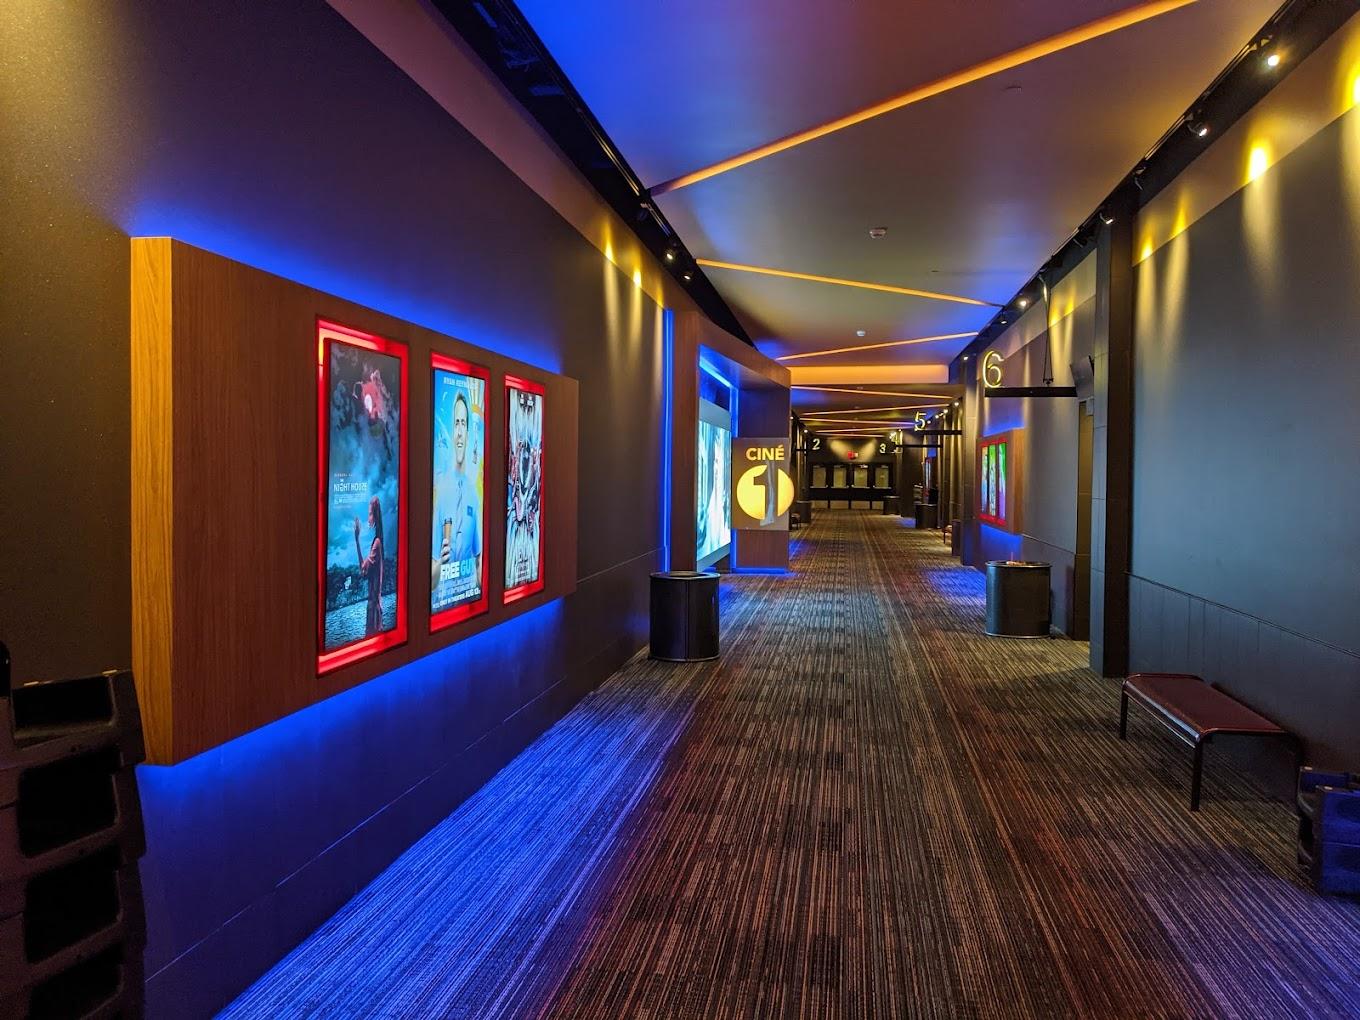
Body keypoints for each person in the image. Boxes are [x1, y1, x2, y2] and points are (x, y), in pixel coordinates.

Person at [432, 390, 482, 601]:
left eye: (463, 424)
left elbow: (479, 563)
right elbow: (431, 582)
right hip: (444, 603)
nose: (460, 432)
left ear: (468, 432)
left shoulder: (473, 494)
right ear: (452, 431)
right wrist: (440, 564)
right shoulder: (441, 492)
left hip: (469, 603)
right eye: (456, 424)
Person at [354, 496, 385, 636]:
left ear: (376, 516)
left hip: (374, 610)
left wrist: (357, 539)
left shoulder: (376, 543)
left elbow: (363, 569)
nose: (368, 518)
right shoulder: (377, 542)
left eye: (370, 514)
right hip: (373, 608)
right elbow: (364, 570)